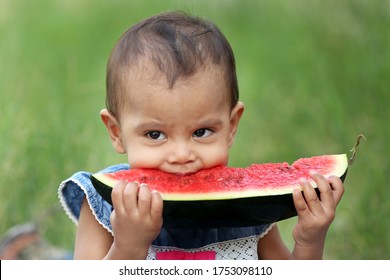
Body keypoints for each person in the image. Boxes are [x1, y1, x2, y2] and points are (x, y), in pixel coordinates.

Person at [58, 11, 344, 260]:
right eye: (155, 134)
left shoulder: (248, 211)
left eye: (201, 132)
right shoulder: (102, 205)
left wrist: (310, 240)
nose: (182, 155)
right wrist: (127, 248)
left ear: (231, 126)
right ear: (117, 133)